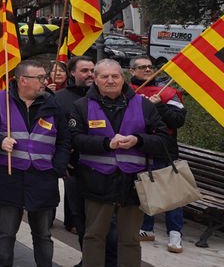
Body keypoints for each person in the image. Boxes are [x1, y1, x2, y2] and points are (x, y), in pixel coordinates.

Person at [71, 60, 173, 267]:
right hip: (96, 182)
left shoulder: (143, 104)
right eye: (104, 76)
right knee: (94, 236)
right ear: (95, 80)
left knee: (130, 239)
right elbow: (75, 139)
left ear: (123, 78)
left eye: (115, 76)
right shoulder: (81, 106)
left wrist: (139, 140)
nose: (110, 80)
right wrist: (106, 143)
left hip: (133, 184)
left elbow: (164, 140)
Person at [0, 60, 70, 267]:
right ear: (23, 80)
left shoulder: (53, 104)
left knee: (42, 234)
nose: (46, 81)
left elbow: (63, 140)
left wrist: (58, 168)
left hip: (43, 177)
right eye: (41, 78)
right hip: (9, 176)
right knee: (6, 232)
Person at [129, 55, 187, 252]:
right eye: (142, 67)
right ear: (132, 71)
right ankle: (146, 228)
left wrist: (159, 106)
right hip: (136, 150)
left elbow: (177, 121)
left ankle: (175, 234)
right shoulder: (126, 92)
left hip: (164, 151)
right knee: (144, 190)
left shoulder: (169, 92)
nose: (147, 70)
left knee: (170, 194)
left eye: (150, 67)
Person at [53, 56, 95, 248]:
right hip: (74, 168)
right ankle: (87, 257)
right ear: (73, 73)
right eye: (85, 71)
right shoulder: (60, 99)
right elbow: (55, 134)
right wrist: (62, 162)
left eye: (92, 70)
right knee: (80, 217)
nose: (90, 75)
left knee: (103, 221)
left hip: (103, 171)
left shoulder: (105, 95)